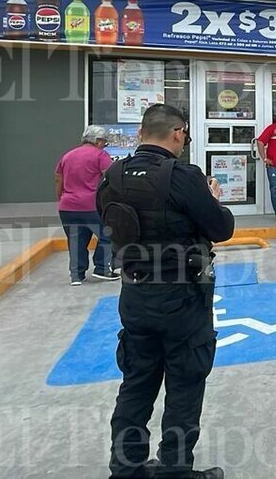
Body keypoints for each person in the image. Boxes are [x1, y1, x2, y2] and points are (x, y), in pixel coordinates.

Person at [97, 104, 234, 479]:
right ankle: (175, 470)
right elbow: (220, 228)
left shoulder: (113, 175)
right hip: (183, 300)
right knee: (184, 387)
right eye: (185, 136)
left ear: (142, 133)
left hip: (136, 295)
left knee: (136, 385)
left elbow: (109, 225)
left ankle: (125, 469)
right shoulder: (184, 176)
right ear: (178, 132)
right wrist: (214, 199)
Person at [56, 125, 119, 285]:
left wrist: (61, 197)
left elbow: (58, 178)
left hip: (67, 206)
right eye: (104, 142)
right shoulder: (100, 155)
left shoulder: (68, 155)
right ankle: (102, 268)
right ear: (98, 141)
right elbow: (111, 176)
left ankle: (76, 275)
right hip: (91, 205)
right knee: (108, 235)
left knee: (76, 239)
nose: (105, 145)